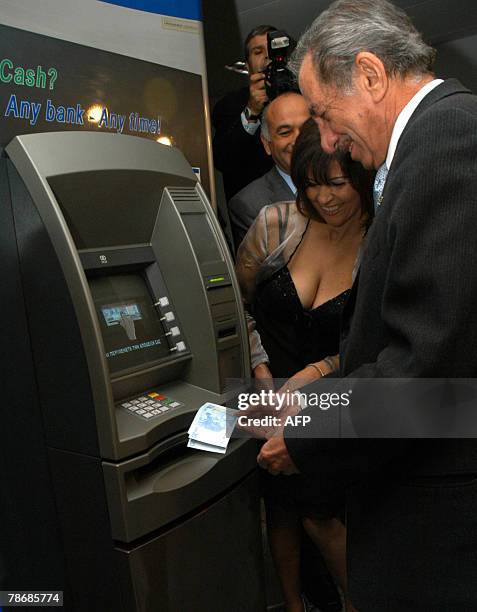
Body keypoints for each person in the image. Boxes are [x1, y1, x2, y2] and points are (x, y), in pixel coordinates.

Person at [256, 1, 477, 610]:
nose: (327, 143)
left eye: (324, 116)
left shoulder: (447, 143)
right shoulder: (433, 143)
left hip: (440, 522)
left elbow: (423, 372)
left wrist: (303, 432)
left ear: (372, 75)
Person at [236, 118, 374, 612]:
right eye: (311, 185)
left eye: (336, 184)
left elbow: (373, 343)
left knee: (323, 514)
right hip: (268, 391)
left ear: (360, 176)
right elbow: (236, 306)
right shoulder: (276, 223)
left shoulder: (379, 241)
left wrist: (317, 374)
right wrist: (258, 369)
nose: (324, 199)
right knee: (282, 510)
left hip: (332, 401)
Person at [229, 91, 309, 250]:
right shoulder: (250, 205)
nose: (298, 140)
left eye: (307, 128)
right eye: (285, 132)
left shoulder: (346, 185)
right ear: (267, 144)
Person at [212, 25, 276, 202]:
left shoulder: (305, 96)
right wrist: (252, 110)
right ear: (247, 65)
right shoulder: (230, 104)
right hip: (258, 211)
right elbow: (223, 159)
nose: (267, 56)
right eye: (258, 51)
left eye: (272, 49)